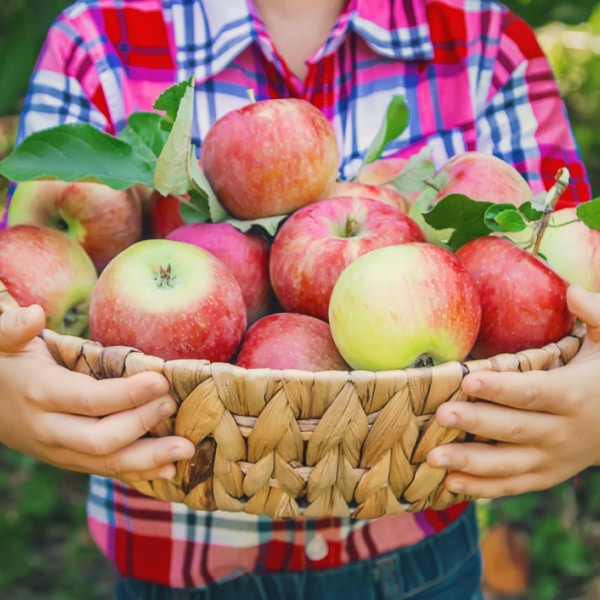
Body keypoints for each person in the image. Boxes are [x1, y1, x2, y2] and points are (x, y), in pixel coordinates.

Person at [0, 1, 597, 599]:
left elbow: (574, 275)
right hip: (176, 567)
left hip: (423, 561)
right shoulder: (97, 39)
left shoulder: (487, 45)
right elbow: (17, 289)